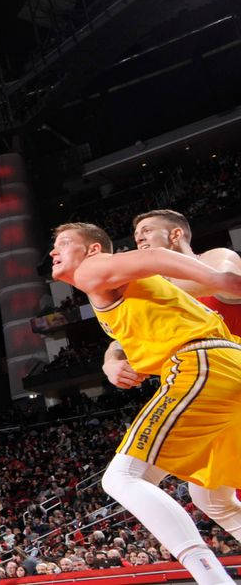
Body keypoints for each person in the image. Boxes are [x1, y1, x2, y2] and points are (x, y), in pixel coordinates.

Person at [49, 221, 241, 585]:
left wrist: (221, 281)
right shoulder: (117, 289)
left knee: (121, 478)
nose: (54, 251)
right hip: (229, 369)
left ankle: (214, 580)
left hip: (203, 365)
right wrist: (117, 362)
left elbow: (155, 256)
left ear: (92, 250)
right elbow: (158, 323)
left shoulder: (94, 267)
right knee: (213, 499)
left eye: (63, 243)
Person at [102, 209, 241, 388]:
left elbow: (222, 280)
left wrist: (134, 295)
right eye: (136, 234)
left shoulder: (216, 257)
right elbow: (121, 340)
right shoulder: (152, 289)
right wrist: (111, 362)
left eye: (147, 231)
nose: (139, 238)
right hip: (209, 384)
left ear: (175, 234)